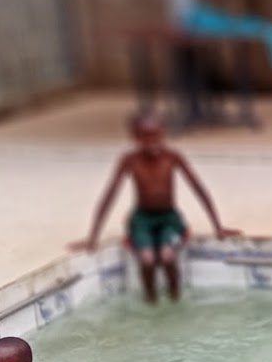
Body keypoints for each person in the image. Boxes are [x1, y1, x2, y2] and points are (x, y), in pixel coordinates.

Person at [71, 111, 240, 302]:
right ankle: (150, 301)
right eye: (145, 136)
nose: (152, 141)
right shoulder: (130, 160)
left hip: (169, 217)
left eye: (156, 135)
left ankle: (175, 299)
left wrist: (217, 226)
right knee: (147, 259)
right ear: (135, 137)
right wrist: (93, 237)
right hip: (142, 219)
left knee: (168, 256)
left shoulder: (172, 156)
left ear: (163, 134)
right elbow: (109, 196)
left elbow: (199, 189)